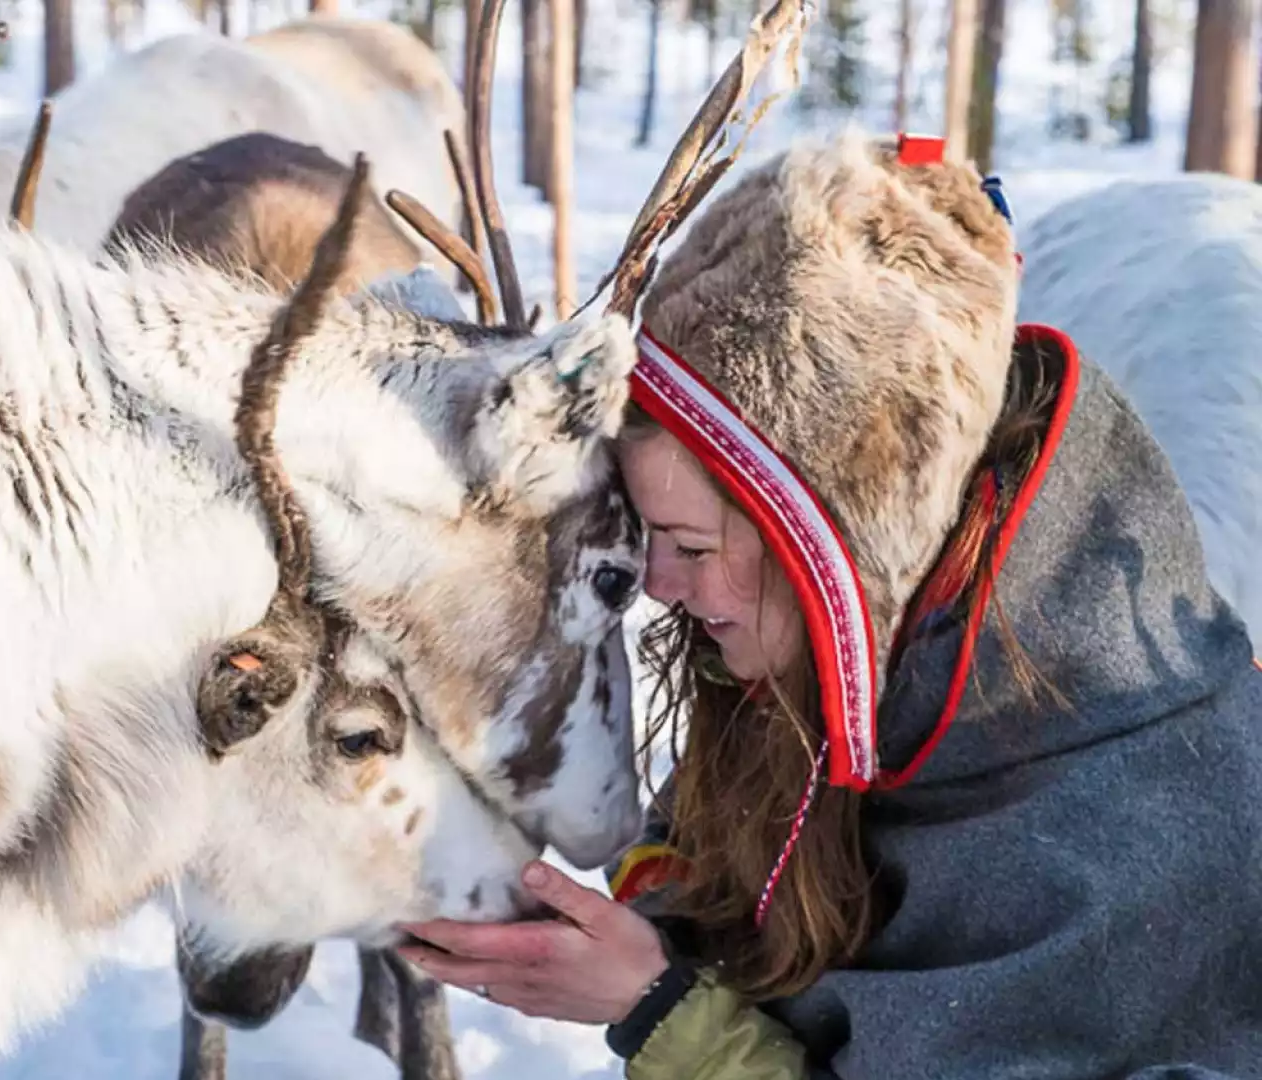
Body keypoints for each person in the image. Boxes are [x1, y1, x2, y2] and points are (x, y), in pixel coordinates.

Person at [395, 129, 1262, 1077]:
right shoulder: (865, 675)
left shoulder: (1138, 836)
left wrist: (657, 1011)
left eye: (688, 546)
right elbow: (707, 863)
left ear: (849, 539)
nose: (661, 586)